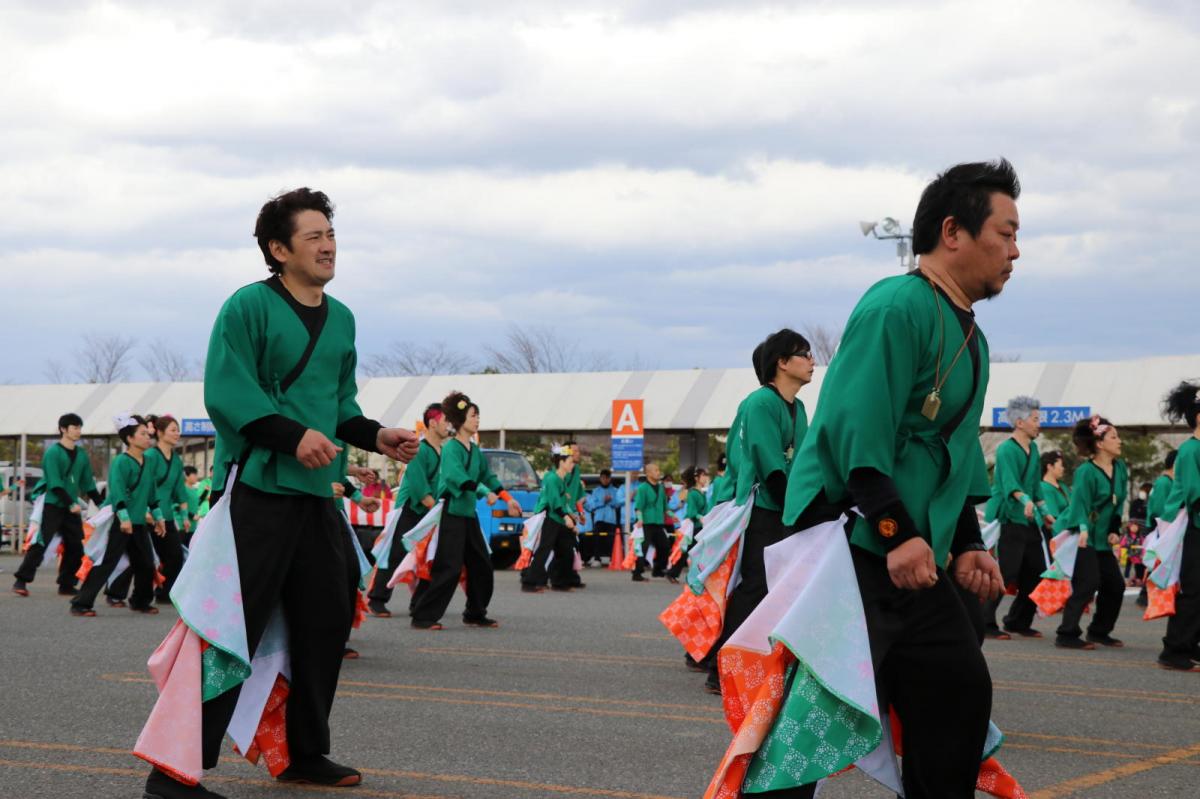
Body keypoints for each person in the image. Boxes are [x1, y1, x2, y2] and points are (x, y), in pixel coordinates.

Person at [137, 188, 419, 799]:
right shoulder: (248, 307)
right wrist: (292, 437)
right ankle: (173, 773)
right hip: (258, 491)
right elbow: (227, 393)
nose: (328, 245)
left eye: (331, 234)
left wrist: (377, 435)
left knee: (326, 619)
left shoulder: (342, 319)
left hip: (316, 496)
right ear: (279, 249)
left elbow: (339, 407)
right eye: (314, 236)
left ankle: (301, 752)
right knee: (228, 627)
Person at [759, 160, 1016, 798]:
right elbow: (858, 429)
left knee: (959, 689)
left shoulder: (971, 335)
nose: (1015, 251)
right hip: (853, 544)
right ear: (952, 232)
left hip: (910, 555)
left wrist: (968, 542)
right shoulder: (894, 306)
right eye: (1006, 233)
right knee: (811, 723)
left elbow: (952, 451)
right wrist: (896, 531)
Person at [705, 328, 812, 694]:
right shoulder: (760, 403)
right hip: (761, 507)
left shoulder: (799, 408)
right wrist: (798, 509)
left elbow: (802, 463)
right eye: (804, 354)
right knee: (754, 586)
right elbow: (771, 468)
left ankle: (757, 662)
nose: (812, 360)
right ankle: (721, 669)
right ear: (782, 363)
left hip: (784, 506)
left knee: (774, 588)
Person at [410, 391, 521, 630]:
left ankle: (475, 613)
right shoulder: (451, 448)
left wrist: (507, 499)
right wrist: (484, 492)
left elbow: (487, 476)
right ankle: (423, 616)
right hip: (451, 512)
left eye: (478, 415)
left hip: (468, 515)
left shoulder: (475, 450)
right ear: (461, 420)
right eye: (473, 415)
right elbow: (455, 476)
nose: (477, 420)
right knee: (448, 567)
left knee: (482, 564)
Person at [71, 414, 164, 616]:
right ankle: (81, 603)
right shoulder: (121, 462)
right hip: (122, 522)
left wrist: (159, 517)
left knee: (146, 563)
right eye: (142, 434)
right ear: (129, 438)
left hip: (139, 522)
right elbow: (118, 491)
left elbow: (152, 493)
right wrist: (124, 518)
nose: (148, 437)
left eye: (148, 434)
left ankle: (140, 601)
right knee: (107, 563)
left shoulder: (148, 461)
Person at [981, 396, 1053, 640]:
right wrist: (1026, 501)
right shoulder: (1006, 449)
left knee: (1037, 572)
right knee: (1007, 572)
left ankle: (1017, 621)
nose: (1039, 423)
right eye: (1035, 419)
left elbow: (1035, 486)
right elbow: (1009, 483)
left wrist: (1045, 512)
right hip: (1009, 517)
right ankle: (985, 622)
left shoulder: (1034, 449)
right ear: (1020, 422)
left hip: (1028, 519)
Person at [367, 403, 448, 617]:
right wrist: (435, 507)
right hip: (410, 509)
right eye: (445, 420)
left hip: (429, 511)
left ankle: (420, 602)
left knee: (430, 555)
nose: (448, 425)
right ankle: (377, 599)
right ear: (433, 423)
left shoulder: (443, 451)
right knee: (396, 553)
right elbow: (417, 484)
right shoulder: (419, 449)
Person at [1054, 415, 1128, 650]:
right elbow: (1080, 503)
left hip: (1102, 537)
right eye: (1114, 437)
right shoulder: (1086, 471)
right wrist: (1083, 528)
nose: (1119, 441)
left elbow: (1119, 502)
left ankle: (1099, 631)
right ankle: (1066, 634)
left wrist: (1114, 528)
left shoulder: (1120, 468)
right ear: (1099, 443)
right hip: (1082, 534)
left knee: (1115, 585)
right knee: (1087, 583)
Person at [12, 412, 102, 597]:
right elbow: (54, 483)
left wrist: (103, 505)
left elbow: (88, 484)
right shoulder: (53, 453)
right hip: (53, 505)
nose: (78, 431)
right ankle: (21, 580)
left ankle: (66, 584)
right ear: (63, 429)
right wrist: (70, 503)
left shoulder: (82, 455)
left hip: (71, 508)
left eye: (80, 428)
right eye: (74, 427)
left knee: (76, 546)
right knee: (41, 543)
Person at [106, 414, 192, 604]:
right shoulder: (150, 456)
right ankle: (115, 593)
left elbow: (180, 490)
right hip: (144, 514)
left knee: (174, 556)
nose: (177, 433)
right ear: (160, 433)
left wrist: (184, 515)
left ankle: (164, 592)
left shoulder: (176, 460)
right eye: (173, 430)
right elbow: (139, 487)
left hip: (165, 515)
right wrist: (143, 511)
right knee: (137, 557)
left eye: (178, 430)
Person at [1156, 383, 1200, 671]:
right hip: (1191, 528)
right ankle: (1174, 650)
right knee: (1192, 589)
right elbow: (1195, 494)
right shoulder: (1190, 449)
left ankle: (1190, 644)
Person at [520, 445, 579, 592]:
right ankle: (529, 582)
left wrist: (571, 515)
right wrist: (566, 517)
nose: (573, 464)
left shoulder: (561, 479)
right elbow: (554, 502)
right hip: (551, 518)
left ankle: (559, 582)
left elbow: (563, 501)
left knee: (566, 550)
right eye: (570, 461)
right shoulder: (552, 478)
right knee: (544, 551)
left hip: (559, 518)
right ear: (562, 462)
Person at [667, 466, 708, 582]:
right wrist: (699, 517)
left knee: (688, 551)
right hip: (693, 527)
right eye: (703, 475)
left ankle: (673, 573)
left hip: (699, 526)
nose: (705, 478)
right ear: (696, 478)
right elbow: (691, 512)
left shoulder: (701, 492)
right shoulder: (693, 493)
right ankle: (676, 573)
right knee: (689, 551)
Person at [631, 463, 669, 581]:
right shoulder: (643, 488)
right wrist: (640, 519)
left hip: (658, 522)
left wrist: (672, 516)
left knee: (665, 546)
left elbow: (665, 506)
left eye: (658, 470)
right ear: (648, 473)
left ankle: (658, 569)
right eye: (656, 470)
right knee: (643, 548)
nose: (658, 472)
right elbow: (638, 507)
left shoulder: (661, 488)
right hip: (646, 523)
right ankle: (637, 573)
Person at [584, 469, 619, 565]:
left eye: (607, 478)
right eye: (603, 478)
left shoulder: (615, 490)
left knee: (611, 540)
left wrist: (611, 501)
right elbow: (591, 505)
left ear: (610, 479)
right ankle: (597, 559)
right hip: (598, 519)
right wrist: (603, 501)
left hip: (611, 519)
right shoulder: (595, 491)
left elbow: (618, 504)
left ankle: (611, 559)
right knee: (597, 539)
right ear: (600, 478)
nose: (605, 480)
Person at [1040, 450, 1070, 540]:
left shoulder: (1063, 486)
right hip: (1059, 535)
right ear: (1049, 466)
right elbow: (1052, 519)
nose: (1063, 468)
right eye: (1060, 465)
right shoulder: (1044, 487)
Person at [182, 466, 206, 546]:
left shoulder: (193, 490)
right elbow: (177, 506)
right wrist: (192, 516)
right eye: (194, 474)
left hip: (192, 527)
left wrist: (205, 492)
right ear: (186, 476)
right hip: (183, 526)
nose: (196, 477)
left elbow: (198, 502)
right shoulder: (182, 489)